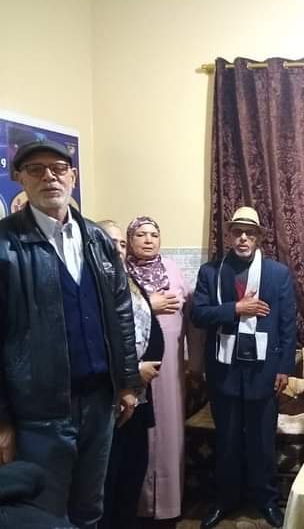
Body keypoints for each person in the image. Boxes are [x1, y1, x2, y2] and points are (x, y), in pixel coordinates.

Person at [0, 139, 139, 527]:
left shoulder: (97, 239)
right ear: (20, 179)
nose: (49, 177)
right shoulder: (5, 244)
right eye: (36, 169)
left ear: (72, 177)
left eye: (58, 168)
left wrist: (127, 383)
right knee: (45, 517)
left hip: (100, 404)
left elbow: (121, 314)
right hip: (38, 414)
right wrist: (2, 420)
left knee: (89, 510)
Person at [191, 206, 296, 529]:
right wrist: (236, 308)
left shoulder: (277, 273)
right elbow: (199, 315)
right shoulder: (211, 272)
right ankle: (225, 499)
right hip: (224, 371)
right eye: (237, 232)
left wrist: (284, 368)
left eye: (250, 233)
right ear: (229, 235)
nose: (243, 238)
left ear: (259, 237)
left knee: (263, 442)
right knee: (227, 440)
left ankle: (266, 500)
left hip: (264, 371)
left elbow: (288, 324)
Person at [126, 216, 194, 522]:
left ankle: (168, 505)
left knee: (169, 431)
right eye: (141, 234)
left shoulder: (172, 269)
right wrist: (147, 304)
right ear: (130, 240)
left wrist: (195, 362)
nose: (148, 240)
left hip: (170, 369)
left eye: (154, 234)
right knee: (138, 431)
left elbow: (191, 316)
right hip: (132, 366)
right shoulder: (121, 271)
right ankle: (138, 505)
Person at [97, 220, 164, 529]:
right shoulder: (90, 284)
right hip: (108, 400)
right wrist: (135, 370)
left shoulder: (129, 280)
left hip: (139, 396)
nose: (118, 249)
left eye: (121, 243)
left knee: (133, 473)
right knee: (107, 479)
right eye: (109, 242)